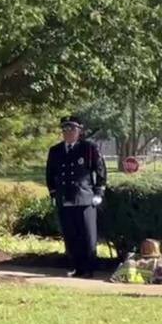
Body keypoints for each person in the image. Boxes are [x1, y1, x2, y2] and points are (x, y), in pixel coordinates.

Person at [45, 116, 107, 278]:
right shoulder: (56, 150)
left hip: (85, 197)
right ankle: (75, 266)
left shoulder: (88, 148)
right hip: (65, 198)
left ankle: (88, 268)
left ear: (79, 131)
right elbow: (50, 173)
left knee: (87, 235)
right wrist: (53, 193)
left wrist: (99, 192)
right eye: (65, 129)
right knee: (71, 235)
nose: (68, 133)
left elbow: (100, 170)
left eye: (72, 129)